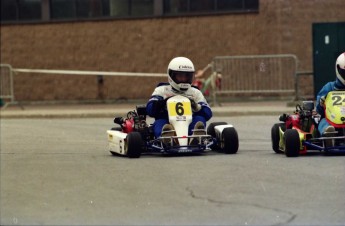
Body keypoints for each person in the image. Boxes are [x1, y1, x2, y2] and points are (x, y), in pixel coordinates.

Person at [146, 56, 212, 144]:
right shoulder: (162, 90)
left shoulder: (195, 92)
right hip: (167, 121)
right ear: (171, 75)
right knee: (160, 122)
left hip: (189, 122)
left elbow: (208, 113)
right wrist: (161, 103)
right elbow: (150, 109)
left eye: (187, 76)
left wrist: (197, 107)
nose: (184, 79)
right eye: (180, 76)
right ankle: (167, 138)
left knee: (199, 119)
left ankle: (195, 137)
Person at [316, 52, 345, 136]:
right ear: (338, 69)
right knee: (323, 121)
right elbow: (318, 110)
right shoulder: (329, 87)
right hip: (332, 120)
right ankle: (328, 134)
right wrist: (321, 102)